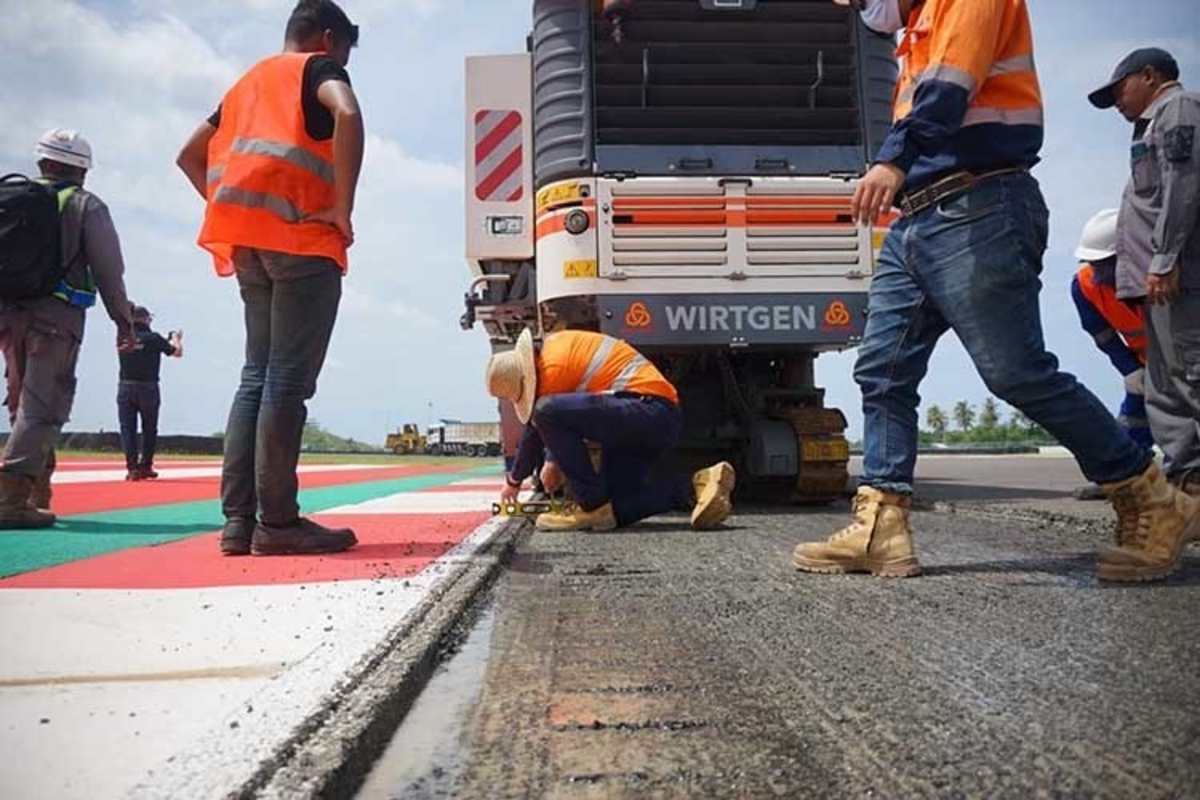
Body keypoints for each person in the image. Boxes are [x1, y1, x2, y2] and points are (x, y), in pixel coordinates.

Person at [792, 1, 1199, 582]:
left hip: (979, 206)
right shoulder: (914, 32)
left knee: (1016, 372)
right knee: (881, 369)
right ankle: (881, 525)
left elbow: (949, 91)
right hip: (917, 218)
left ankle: (1151, 499)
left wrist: (892, 161)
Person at [175, 0, 364, 556]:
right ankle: (278, 525)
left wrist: (239, 210)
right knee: (286, 382)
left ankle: (238, 523)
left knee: (255, 376)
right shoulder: (316, 69)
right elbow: (348, 113)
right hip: (303, 244)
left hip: (249, 248)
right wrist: (341, 208)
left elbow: (188, 156)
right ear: (327, 40)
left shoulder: (244, 86)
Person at [0, 130, 135, 528]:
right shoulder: (84, 205)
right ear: (81, 170)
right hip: (55, 318)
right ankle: (11, 499)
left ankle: (36, 492)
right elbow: (109, 269)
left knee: (20, 398)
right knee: (44, 404)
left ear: (42, 162)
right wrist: (122, 321)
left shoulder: (11, 200)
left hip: (8, 313)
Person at [486, 329, 735, 532]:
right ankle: (695, 486)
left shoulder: (552, 368)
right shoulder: (554, 350)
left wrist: (517, 479)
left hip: (649, 411)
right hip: (647, 420)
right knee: (613, 511)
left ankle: (589, 503)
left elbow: (536, 427)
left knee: (545, 411)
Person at [1090, 48, 1200, 499]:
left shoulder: (1178, 110)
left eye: (1120, 90)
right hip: (1160, 282)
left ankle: (1192, 481)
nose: (1117, 101)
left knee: (1189, 377)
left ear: (1149, 76)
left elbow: (1182, 188)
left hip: (1179, 276)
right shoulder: (1153, 123)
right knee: (1166, 383)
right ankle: (1185, 482)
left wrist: (1164, 259)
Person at [1070, 209, 1155, 500]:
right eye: (1092, 263)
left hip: (1185, 363)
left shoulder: (1160, 276)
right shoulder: (1084, 286)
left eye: (1104, 263)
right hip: (1144, 365)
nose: (1098, 271)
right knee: (1134, 418)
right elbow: (1101, 334)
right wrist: (1128, 369)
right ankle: (1124, 479)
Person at [117, 305, 182, 481]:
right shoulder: (153, 338)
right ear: (146, 319)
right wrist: (175, 339)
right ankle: (145, 465)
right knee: (149, 428)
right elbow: (177, 353)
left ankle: (132, 468)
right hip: (148, 387)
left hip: (125, 386)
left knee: (127, 429)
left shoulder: (122, 337)